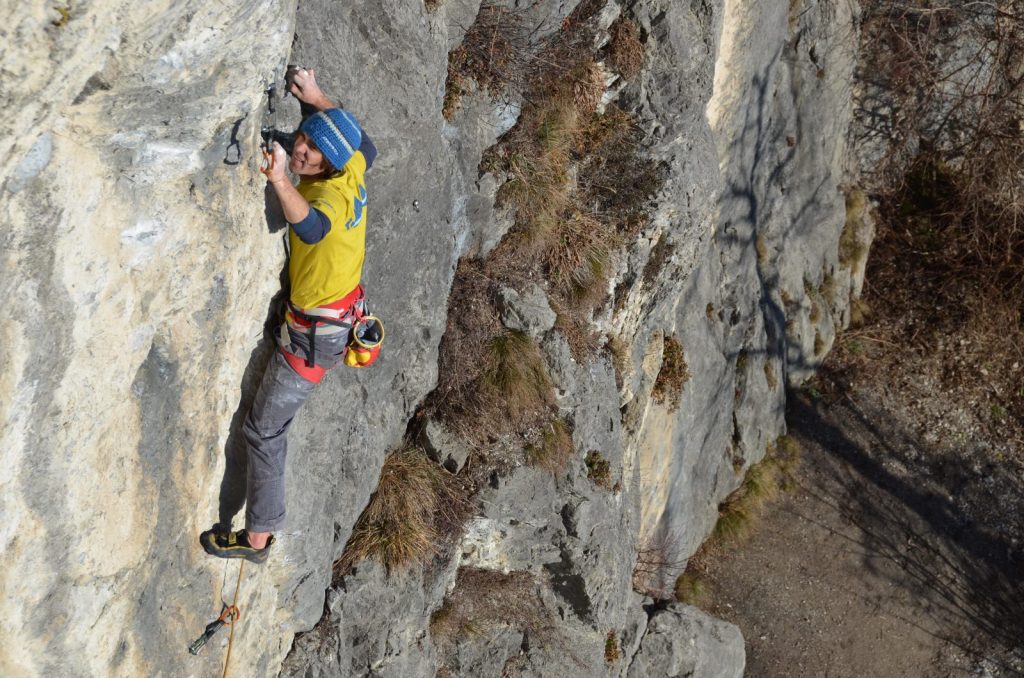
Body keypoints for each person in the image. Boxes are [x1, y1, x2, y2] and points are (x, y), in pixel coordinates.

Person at [201, 68, 377, 563]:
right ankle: (259, 530)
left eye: (311, 150)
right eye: (302, 139)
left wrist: (279, 178)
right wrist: (317, 98)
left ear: (328, 165)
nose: (301, 148)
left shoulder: (324, 200)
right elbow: (367, 145)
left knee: (264, 431)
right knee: (266, 428)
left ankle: (257, 539)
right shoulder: (352, 168)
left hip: (313, 339)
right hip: (334, 316)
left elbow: (312, 226)